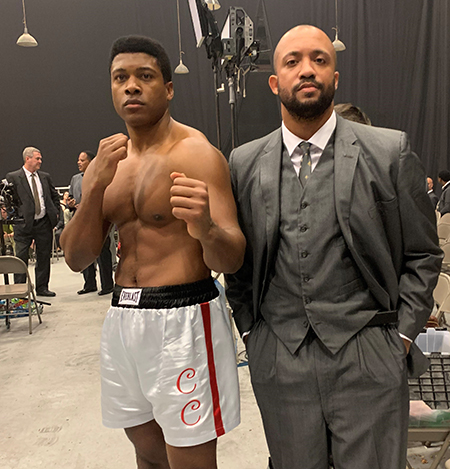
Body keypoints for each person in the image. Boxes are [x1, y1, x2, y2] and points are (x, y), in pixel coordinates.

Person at [225, 25, 442, 469]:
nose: (307, 70)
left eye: (320, 60)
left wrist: (400, 337)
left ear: (336, 76)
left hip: (369, 354)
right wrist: (252, 333)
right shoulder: (245, 162)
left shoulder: (388, 151)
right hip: (279, 358)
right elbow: (239, 264)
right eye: (293, 61)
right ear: (274, 82)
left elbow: (424, 254)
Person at [61, 36, 245, 469]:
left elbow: (231, 258)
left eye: (144, 77)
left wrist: (205, 229)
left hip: (184, 318)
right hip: (123, 315)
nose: (131, 87)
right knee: (147, 454)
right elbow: (76, 258)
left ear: (168, 87)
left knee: (189, 461)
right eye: (120, 78)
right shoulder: (110, 163)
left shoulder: (198, 154)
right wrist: (93, 191)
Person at [6, 147, 60, 296]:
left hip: (43, 223)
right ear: (27, 159)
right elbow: (9, 201)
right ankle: (20, 290)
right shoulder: (13, 177)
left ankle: (42, 287)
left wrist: (55, 213)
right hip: (23, 225)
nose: (40, 161)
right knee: (21, 257)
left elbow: (54, 196)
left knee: (44, 256)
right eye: (38, 158)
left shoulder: (45, 177)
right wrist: (16, 216)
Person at [68, 150, 114, 295]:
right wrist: (70, 202)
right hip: (81, 220)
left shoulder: (101, 177)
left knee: (102, 252)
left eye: (82, 160)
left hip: (99, 220)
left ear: (91, 162)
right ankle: (89, 284)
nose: (78, 163)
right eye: (78, 160)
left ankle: (107, 285)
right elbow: (70, 196)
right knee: (84, 251)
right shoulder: (75, 179)